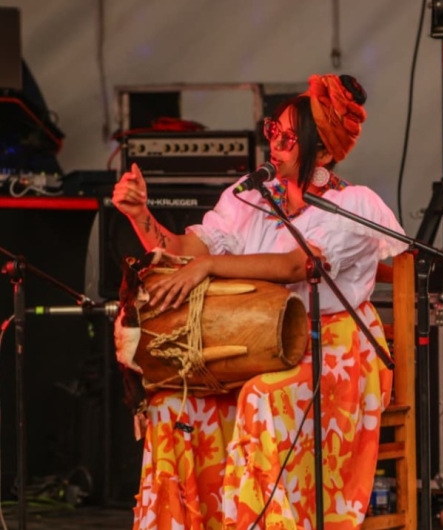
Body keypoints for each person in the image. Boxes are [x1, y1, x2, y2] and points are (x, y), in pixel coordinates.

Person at [112, 73, 407, 530]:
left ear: (323, 153)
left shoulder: (356, 205)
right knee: (174, 405)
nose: (276, 143)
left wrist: (210, 269)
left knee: (259, 398)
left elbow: (296, 266)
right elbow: (188, 250)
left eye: (290, 138)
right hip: (257, 344)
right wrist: (140, 215)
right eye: (274, 130)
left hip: (334, 354)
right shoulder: (250, 195)